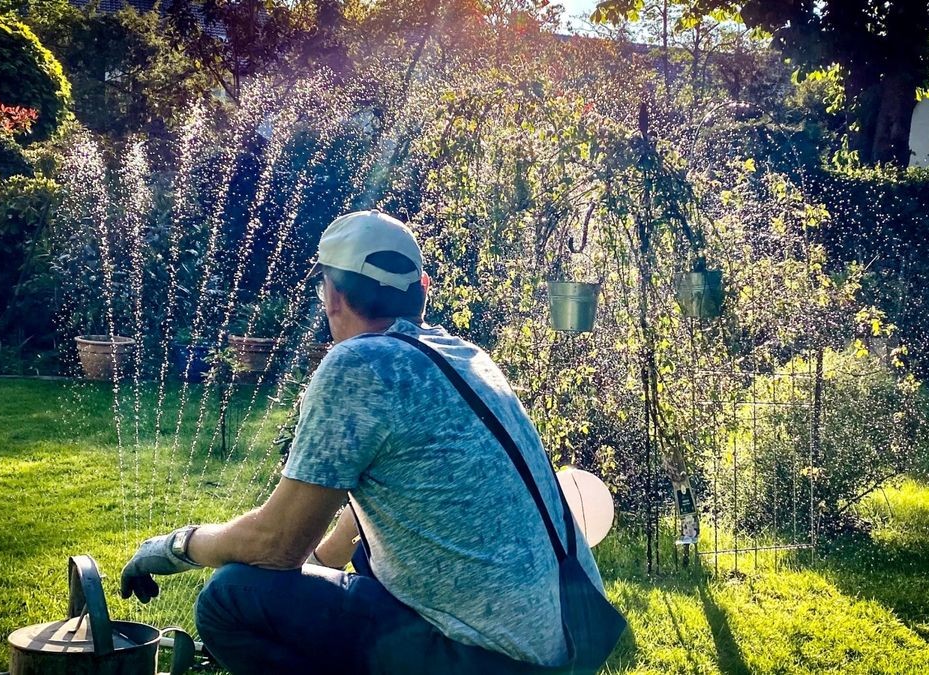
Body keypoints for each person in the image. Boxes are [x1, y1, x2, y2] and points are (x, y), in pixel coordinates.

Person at [120, 210, 611, 674]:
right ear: (422, 291)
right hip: (572, 637)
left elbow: (275, 546)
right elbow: (378, 506)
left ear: (332, 296)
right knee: (358, 569)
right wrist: (318, 569)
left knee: (231, 597)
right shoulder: (463, 356)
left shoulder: (360, 364)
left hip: (490, 660)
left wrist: (175, 547)